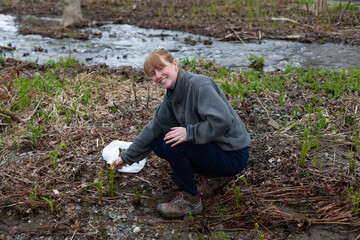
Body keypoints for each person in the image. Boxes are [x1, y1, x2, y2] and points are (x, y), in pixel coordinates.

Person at [111, 48, 250, 218]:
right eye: (153, 73)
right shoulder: (172, 95)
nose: (158, 75)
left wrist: (189, 133)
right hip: (214, 148)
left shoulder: (199, 86)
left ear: (175, 64)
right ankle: (213, 176)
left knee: (174, 144)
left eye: (161, 68)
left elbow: (223, 120)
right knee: (158, 142)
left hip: (232, 154)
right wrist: (126, 157)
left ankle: (191, 201)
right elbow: (154, 127)